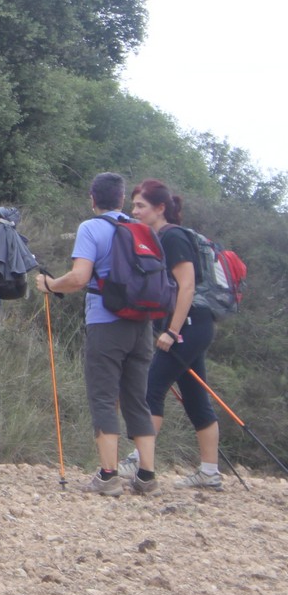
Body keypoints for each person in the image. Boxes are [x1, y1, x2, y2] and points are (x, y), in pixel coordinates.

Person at [34, 172, 159, 496]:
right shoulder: (142, 229)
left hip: (106, 322)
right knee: (137, 399)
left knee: (103, 396)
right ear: (122, 199)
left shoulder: (91, 228)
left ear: (92, 199)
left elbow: (79, 278)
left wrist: (50, 285)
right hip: (142, 324)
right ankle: (147, 476)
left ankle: (108, 476)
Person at [129, 178, 223, 490]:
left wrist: (172, 330)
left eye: (140, 205)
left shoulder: (172, 237)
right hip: (192, 326)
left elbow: (187, 286)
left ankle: (139, 461)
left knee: (151, 389)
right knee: (195, 396)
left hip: (189, 325)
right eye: (133, 205)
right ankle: (209, 472)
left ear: (160, 208)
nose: (135, 211)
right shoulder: (159, 237)